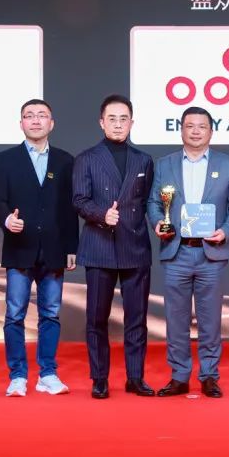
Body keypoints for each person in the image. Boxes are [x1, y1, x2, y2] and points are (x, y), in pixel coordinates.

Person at [147, 106, 229, 398]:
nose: (196, 131)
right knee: (176, 319)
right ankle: (179, 376)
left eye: (202, 126)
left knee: (210, 320)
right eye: (190, 126)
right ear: (181, 130)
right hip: (176, 252)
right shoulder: (165, 164)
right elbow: (154, 203)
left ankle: (209, 376)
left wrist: (225, 230)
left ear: (211, 131)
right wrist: (158, 223)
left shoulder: (228, 164)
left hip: (210, 253)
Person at [0, 99, 79, 397]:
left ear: (51, 123)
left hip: (54, 249)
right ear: (21, 124)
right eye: (29, 116)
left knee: (50, 314)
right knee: (14, 314)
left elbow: (70, 208)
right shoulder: (5, 159)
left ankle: (48, 373)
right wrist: (7, 220)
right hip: (19, 247)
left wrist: (71, 247)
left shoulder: (65, 160)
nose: (36, 120)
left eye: (42, 116)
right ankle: (17, 375)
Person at [73, 95, 155, 399]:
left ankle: (135, 377)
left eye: (124, 119)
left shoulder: (143, 160)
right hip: (100, 245)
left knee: (137, 318)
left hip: (135, 245)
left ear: (132, 123)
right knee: (96, 318)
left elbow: (147, 202)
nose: (118, 124)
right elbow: (79, 200)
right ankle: (99, 378)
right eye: (112, 119)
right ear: (101, 122)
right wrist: (101, 215)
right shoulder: (87, 158)